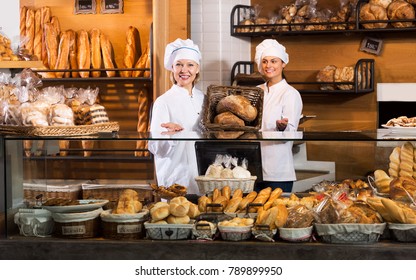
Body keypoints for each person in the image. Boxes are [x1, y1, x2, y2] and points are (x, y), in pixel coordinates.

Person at [148, 38, 204, 195]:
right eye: (179, 64)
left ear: (197, 68)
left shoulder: (204, 99)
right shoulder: (163, 102)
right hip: (176, 178)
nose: (184, 70)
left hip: (203, 178)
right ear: (172, 68)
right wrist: (169, 135)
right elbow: (155, 147)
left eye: (190, 65)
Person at [254, 39, 303, 193]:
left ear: (283, 64)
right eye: (265, 61)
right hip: (253, 171)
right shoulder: (256, 91)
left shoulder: (290, 94)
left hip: (278, 173)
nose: (269, 66)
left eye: (274, 61)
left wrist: (283, 127)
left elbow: (291, 133)